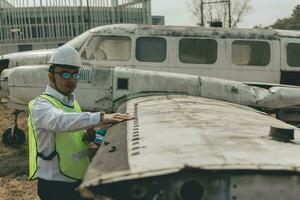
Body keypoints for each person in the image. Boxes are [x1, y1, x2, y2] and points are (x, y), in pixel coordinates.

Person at [28, 45, 133, 200]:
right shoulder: (40, 105)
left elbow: (72, 133)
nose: (71, 80)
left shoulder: (72, 103)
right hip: (55, 185)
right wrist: (100, 117)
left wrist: (89, 136)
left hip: (76, 179)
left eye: (75, 74)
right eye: (64, 74)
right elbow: (60, 121)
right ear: (51, 75)